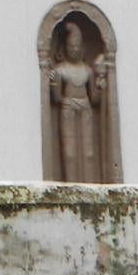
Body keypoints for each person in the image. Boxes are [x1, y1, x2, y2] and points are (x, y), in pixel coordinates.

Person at [49, 20, 105, 183]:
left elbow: (94, 98)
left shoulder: (87, 71)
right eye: (71, 46)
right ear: (65, 47)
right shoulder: (60, 70)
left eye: (77, 46)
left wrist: (101, 85)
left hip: (85, 107)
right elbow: (57, 98)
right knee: (70, 153)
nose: (75, 49)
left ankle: (89, 185)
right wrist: (52, 79)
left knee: (88, 152)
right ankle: (71, 185)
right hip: (68, 109)